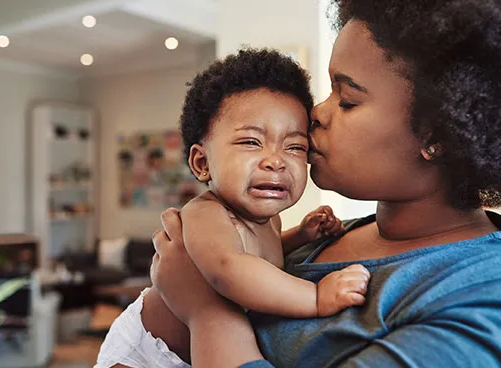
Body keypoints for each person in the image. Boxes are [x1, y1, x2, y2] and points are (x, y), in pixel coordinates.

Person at [149, 0, 501, 367]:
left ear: (441, 136)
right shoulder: (331, 234)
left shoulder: (493, 300)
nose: (315, 113)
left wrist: (206, 313)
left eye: (347, 99)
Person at [96, 49, 372, 368]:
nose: (276, 161)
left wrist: (301, 235)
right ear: (202, 163)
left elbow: (258, 257)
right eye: (251, 142)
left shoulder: (270, 220)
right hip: (147, 350)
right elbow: (229, 269)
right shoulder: (206, 213)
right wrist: (316, 297)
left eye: (295, 146)